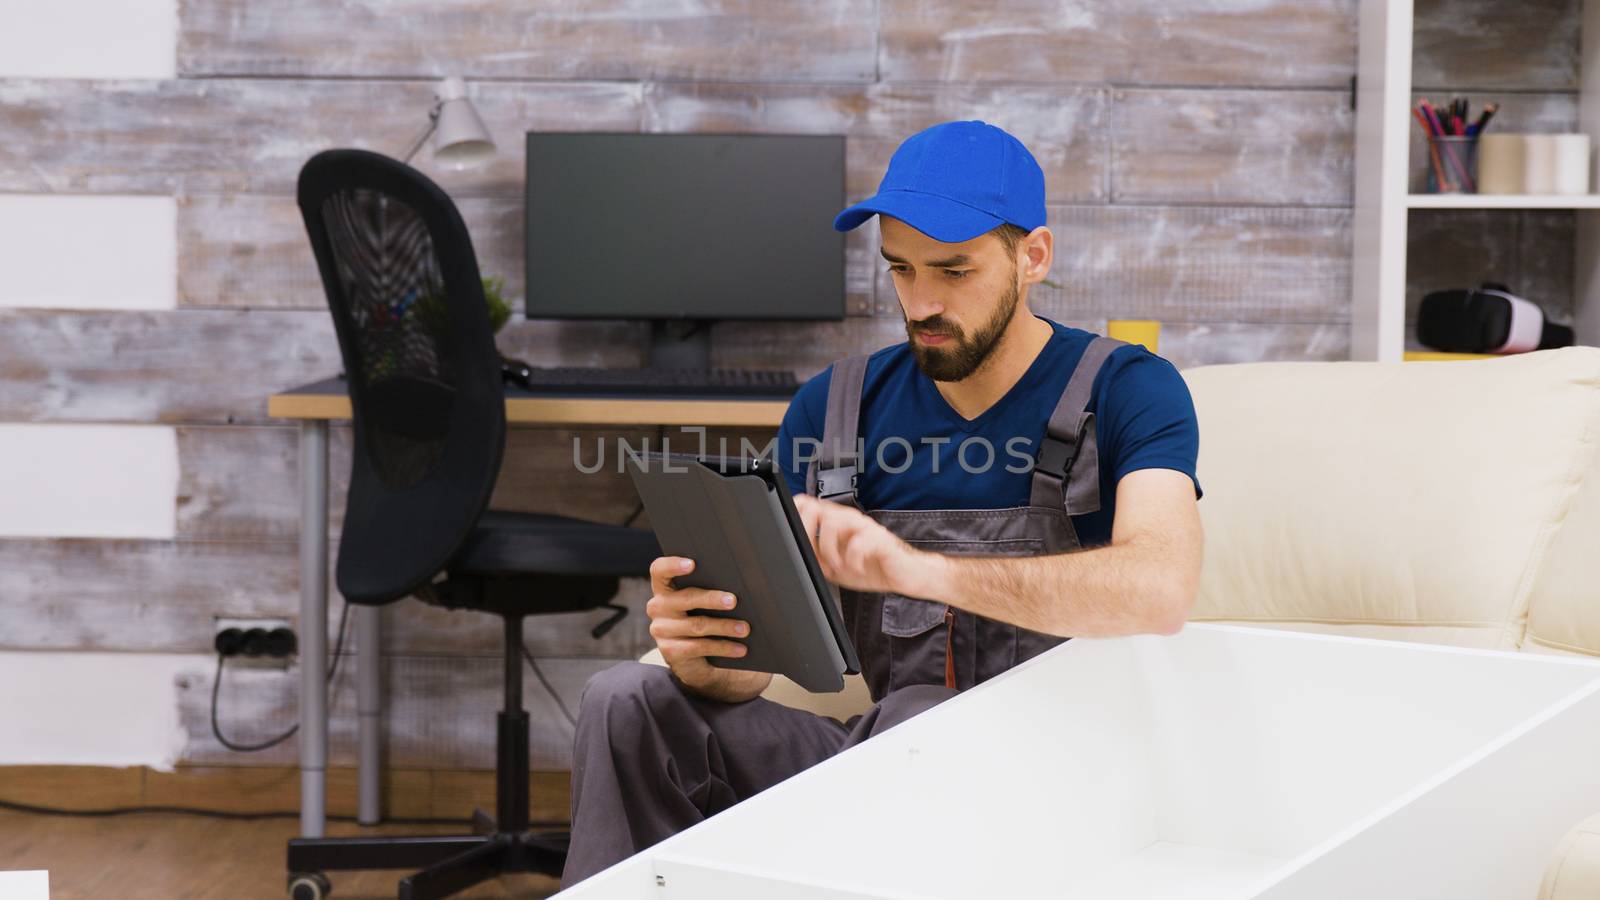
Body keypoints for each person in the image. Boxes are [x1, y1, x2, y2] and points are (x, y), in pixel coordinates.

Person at [561, 119, 1205, 888]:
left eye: (954, 271)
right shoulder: (832, 409)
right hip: (883, 761)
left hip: (1063, 789)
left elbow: (1159, 591)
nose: (921, 301)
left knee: (924, 713)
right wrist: (707, 654)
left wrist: (921, 571)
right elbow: (751, 678)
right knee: (625, 696)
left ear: (1033, 257)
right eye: (900, 269)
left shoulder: (1128, 389)